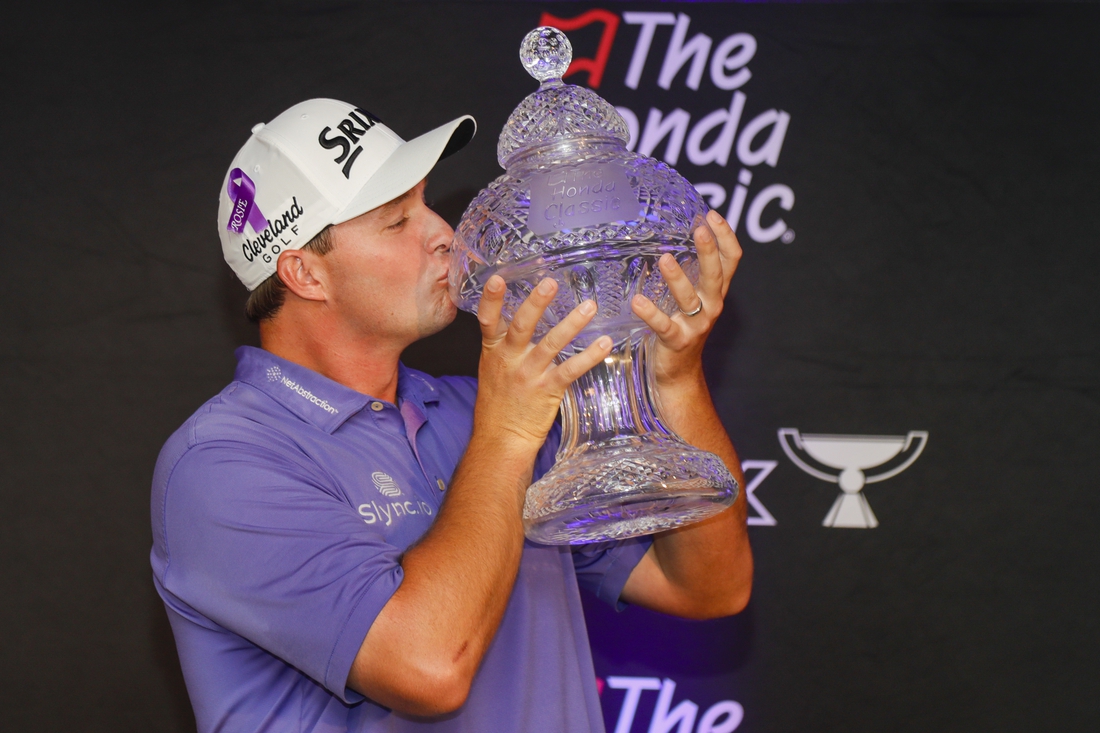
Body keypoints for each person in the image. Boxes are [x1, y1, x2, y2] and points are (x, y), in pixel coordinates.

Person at [150, 98, 752, 733]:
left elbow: (710, 587)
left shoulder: (477, 408)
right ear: (304, 273)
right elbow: (429, 668)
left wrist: (672, 378)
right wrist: (508, 434)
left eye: (426, 204)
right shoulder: (221, 465)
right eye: (395, 221)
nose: (443, 232)